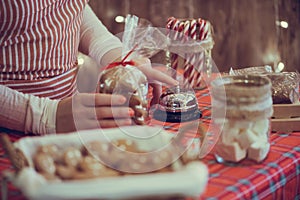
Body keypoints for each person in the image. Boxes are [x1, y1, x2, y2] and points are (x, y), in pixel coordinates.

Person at [0, 1, 177, 135]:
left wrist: (118, 56)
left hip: (69, 124)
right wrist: (43, 115)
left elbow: (69, 9)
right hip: (9, 133)